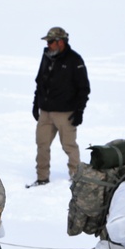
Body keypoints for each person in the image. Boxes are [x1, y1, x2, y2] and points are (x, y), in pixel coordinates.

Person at [30, 27, 89, 187]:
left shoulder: (74, 60)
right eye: (47, 42)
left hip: (66, 114)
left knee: (69, 146)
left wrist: (79, 111)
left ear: (60, 42)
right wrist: (36, 104)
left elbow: (84, 88)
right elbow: (39, 82)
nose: (48, 45)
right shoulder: (46, 57)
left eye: (51, 41)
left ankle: (77, 180)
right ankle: (42, 178)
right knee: (42, 145)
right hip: (45, 112)